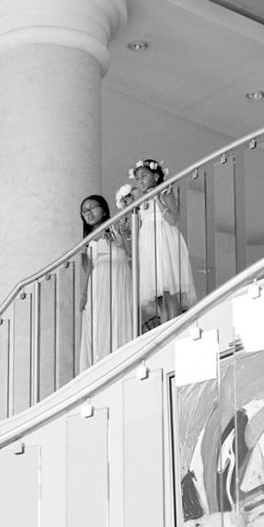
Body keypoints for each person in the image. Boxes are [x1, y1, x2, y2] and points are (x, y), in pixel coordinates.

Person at [130, 158, 197, 328]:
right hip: (149, 245)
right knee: (158, 297)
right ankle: (164, 328)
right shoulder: (142, 202)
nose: (140, 181)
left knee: (169, 292)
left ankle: (174, 329)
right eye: (137, 178)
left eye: (144, 176)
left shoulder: (165, 193)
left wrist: (158, 200)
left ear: (156, 176)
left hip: (164, 241)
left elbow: (173, 219)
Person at [79, 194, 133, 372]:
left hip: (116, 276)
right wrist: (83, 294)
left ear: (103, 210)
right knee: (97, 321)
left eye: (92, 208)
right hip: (96, 283)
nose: (88, 213)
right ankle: (97, 365)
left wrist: (124, 234)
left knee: (116, 316)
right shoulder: (87, 240)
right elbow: (87, 268)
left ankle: (118, 363)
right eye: (84, 211)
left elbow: (130, 251)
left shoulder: (115, 226)